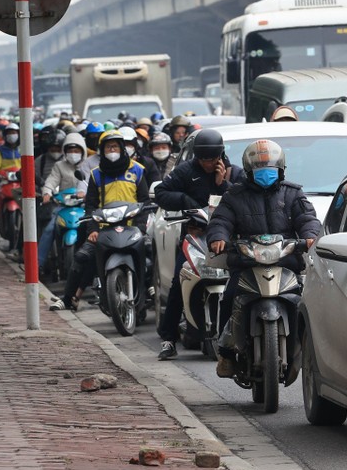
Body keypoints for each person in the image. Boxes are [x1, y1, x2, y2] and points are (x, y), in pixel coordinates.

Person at [207, 139, 321, 378]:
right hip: (246, 264)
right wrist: (218, 238)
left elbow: (308, 219)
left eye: (269, 167)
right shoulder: (234, 195)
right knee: (228, 299)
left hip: (286, 263)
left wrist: (310, 237)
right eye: (259, 168)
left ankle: (313, 352)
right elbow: (221, 220)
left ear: (281, 168)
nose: (265, 172)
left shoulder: (292, 193)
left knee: (307, 302)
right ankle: (225, 354)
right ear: (248, 171)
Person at [151, 129, 242, 360]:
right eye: (204, 160)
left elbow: (243, 199)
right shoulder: (185, 171)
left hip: (227, 239)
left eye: (212, 160)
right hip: (195, 236)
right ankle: (169, 339)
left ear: (220, 155)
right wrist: (184, 200)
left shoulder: (234, 173)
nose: (208, 165)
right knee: (177, 285)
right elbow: (162, 192)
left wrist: (223, 184)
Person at [52, 131, 149, 312]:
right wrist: (93, 229)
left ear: (121, 148)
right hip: (105, 229)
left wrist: (141, 227)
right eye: (108, 147)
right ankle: (68, 298)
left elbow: (145, 201)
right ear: (102, 151)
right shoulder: (96, 175)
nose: (112, 150)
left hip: (133, 228)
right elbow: (90, 205)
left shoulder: (137, 169)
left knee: (151, 254)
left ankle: (150, 293)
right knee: (83, 257)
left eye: (115, 146)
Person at [38, 132, 88, 274]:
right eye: (70, 150)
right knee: (49, 230)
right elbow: (51, 181)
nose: (73, 154)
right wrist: (47, 192)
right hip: (63, 206)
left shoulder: (87, 165)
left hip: (84, 207)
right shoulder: (59, 166)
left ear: (82, 151)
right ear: (65, 152)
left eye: (76, 150)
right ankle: (38, 263)